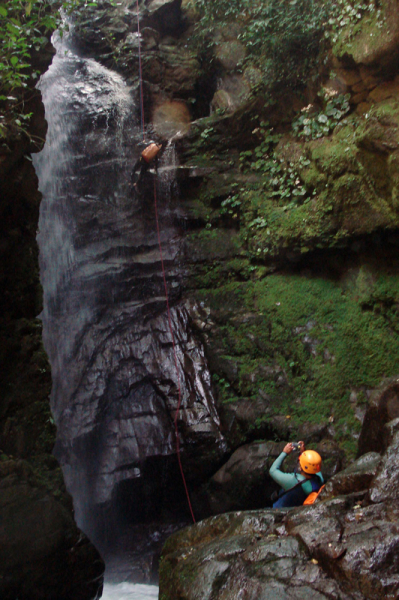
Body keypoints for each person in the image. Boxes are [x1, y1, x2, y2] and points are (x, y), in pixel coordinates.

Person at [269, 441, 323, 508]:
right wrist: (303, 453)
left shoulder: (292, 480)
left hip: (280, 510)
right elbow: (313, 466)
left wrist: (284, 452)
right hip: (297, 509)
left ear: (300, 468)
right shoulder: (319, 479)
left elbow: (272, 471)